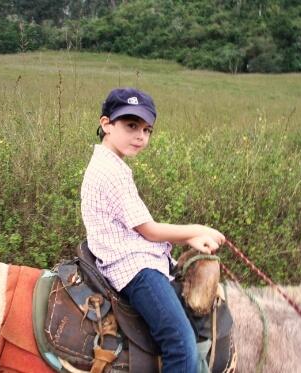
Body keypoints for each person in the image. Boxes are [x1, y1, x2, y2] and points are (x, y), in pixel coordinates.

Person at [81, 87, 225, 372]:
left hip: (132, 257)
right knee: (181, 343)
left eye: (147, 130)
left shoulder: (111, 164)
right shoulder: (111, 172)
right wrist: (196, 230)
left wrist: (192, 236)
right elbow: (150, 231)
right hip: (133, 268)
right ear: (106, 124)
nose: (140, 136)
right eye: (131, 125)